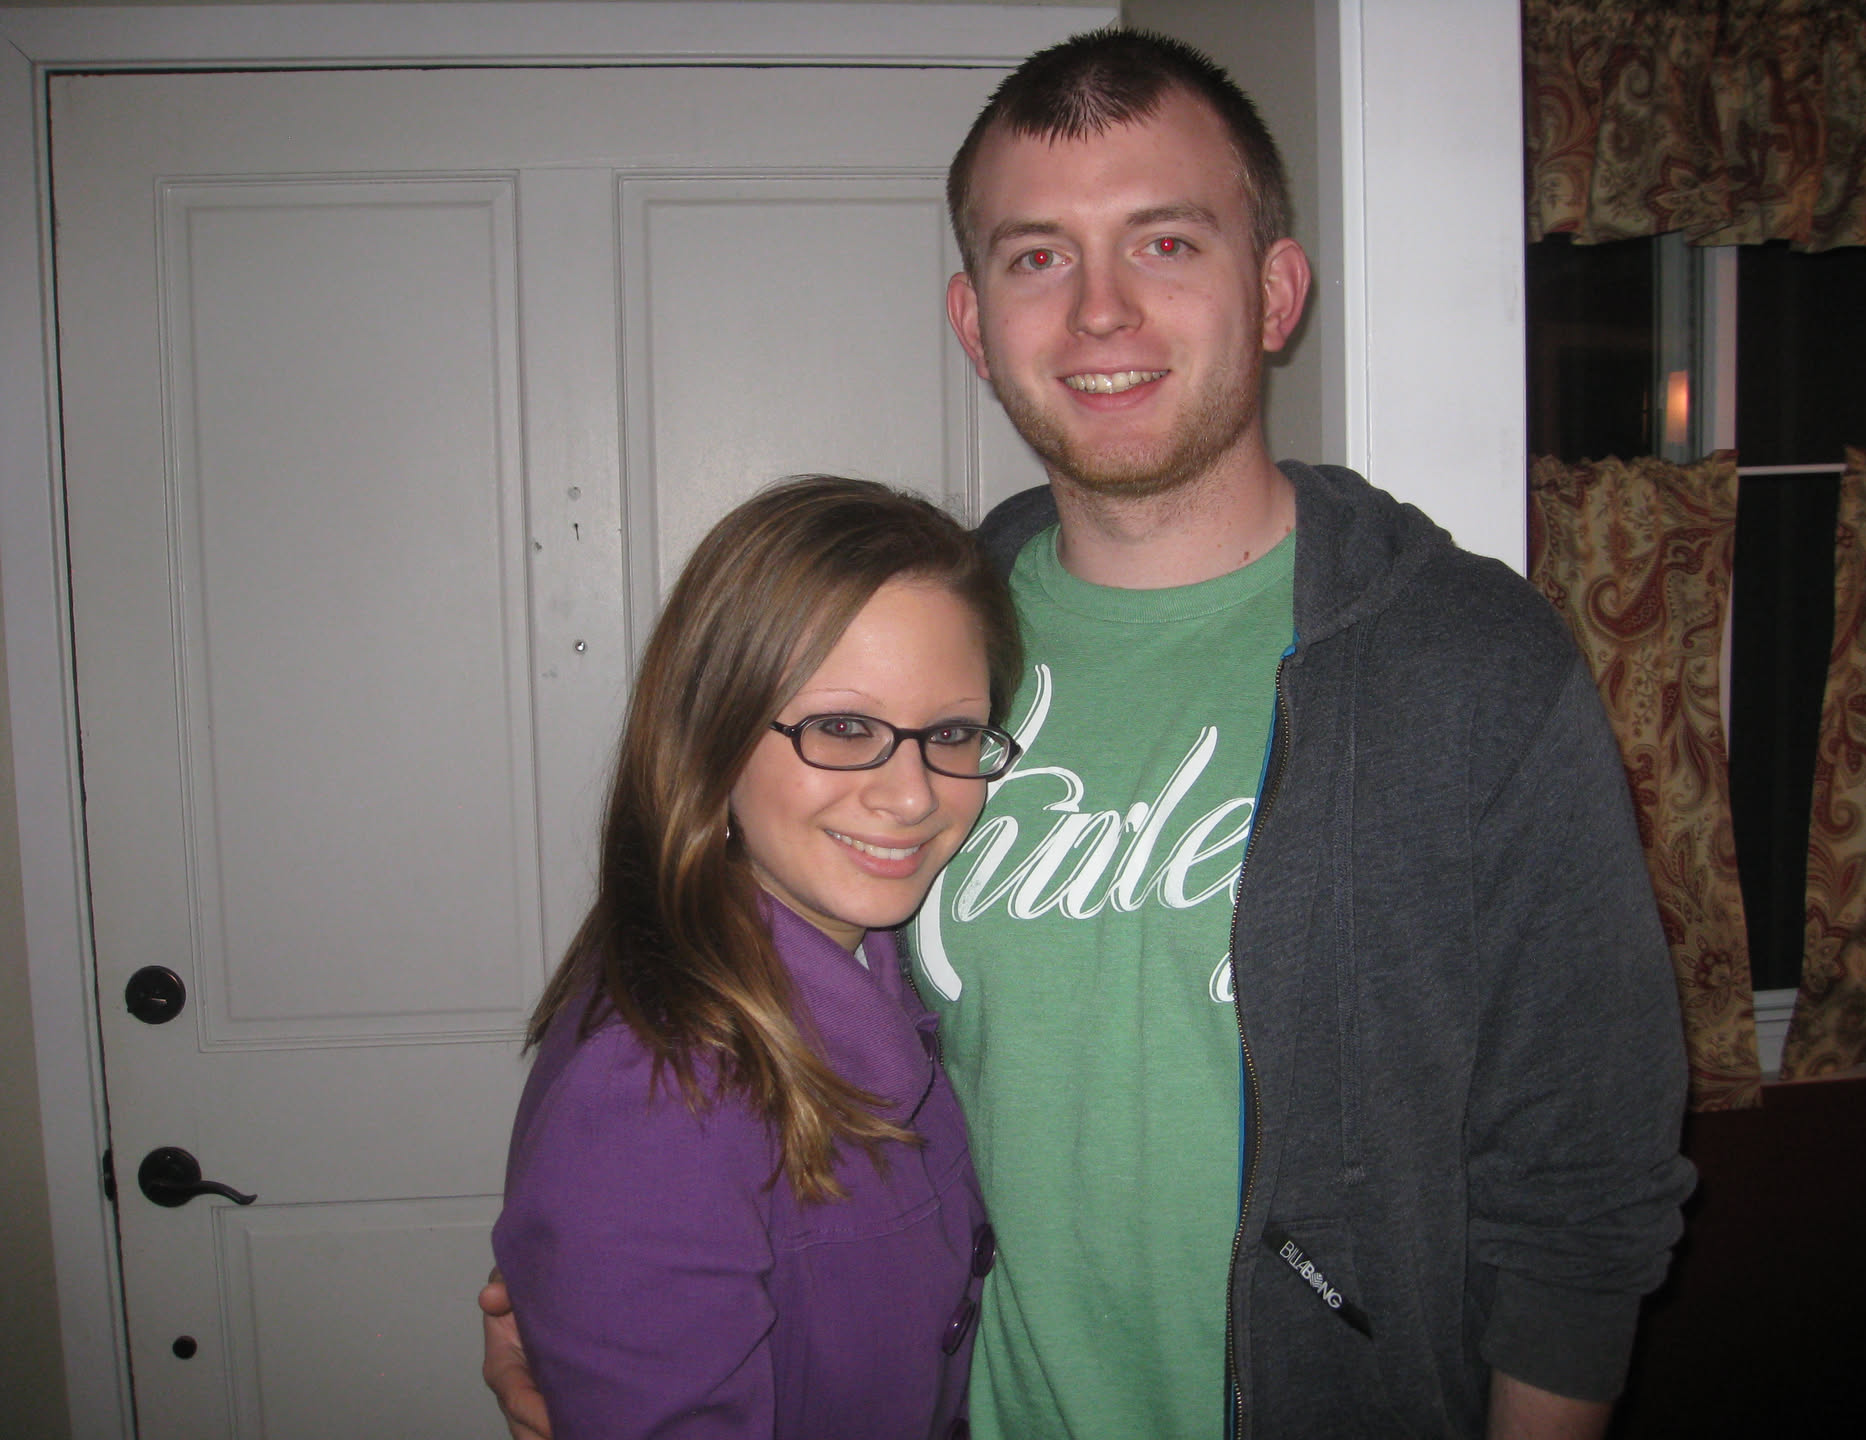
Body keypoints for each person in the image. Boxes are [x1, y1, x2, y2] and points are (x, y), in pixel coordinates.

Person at [485, 29, 1693, 1440]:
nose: (1100, 312)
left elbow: (1581, 1177)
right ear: (973, 320)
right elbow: (714, 977)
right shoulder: (919, 649)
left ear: (1275, 290)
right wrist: (612, 1333)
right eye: (1038, 256)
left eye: (1166, 244)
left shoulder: (1469, 664)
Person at [489, 476, 1022, 1438]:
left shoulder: (882, 967)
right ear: (715, 734)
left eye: (950, 733)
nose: (912, 796)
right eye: (844, 728)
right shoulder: (659, 1089)